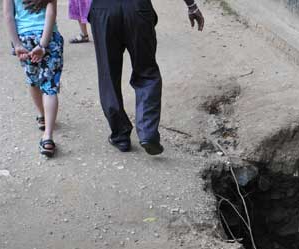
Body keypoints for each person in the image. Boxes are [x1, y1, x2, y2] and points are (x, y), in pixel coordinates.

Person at [23, 0, 205, 155]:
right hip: (138, 9)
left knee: (108, 75)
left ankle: (120, 135)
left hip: (104, 11)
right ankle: (147, 131)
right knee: (147, 73)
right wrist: (191, 5)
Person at [4, 0, 64, 157]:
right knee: (50, 86)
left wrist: (16, 44)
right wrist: (43, 45)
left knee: (34, 82)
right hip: (49, 37)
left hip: (25, 39)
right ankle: (48, 137)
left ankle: (42, 116)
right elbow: (51, 13)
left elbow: (8, 16)